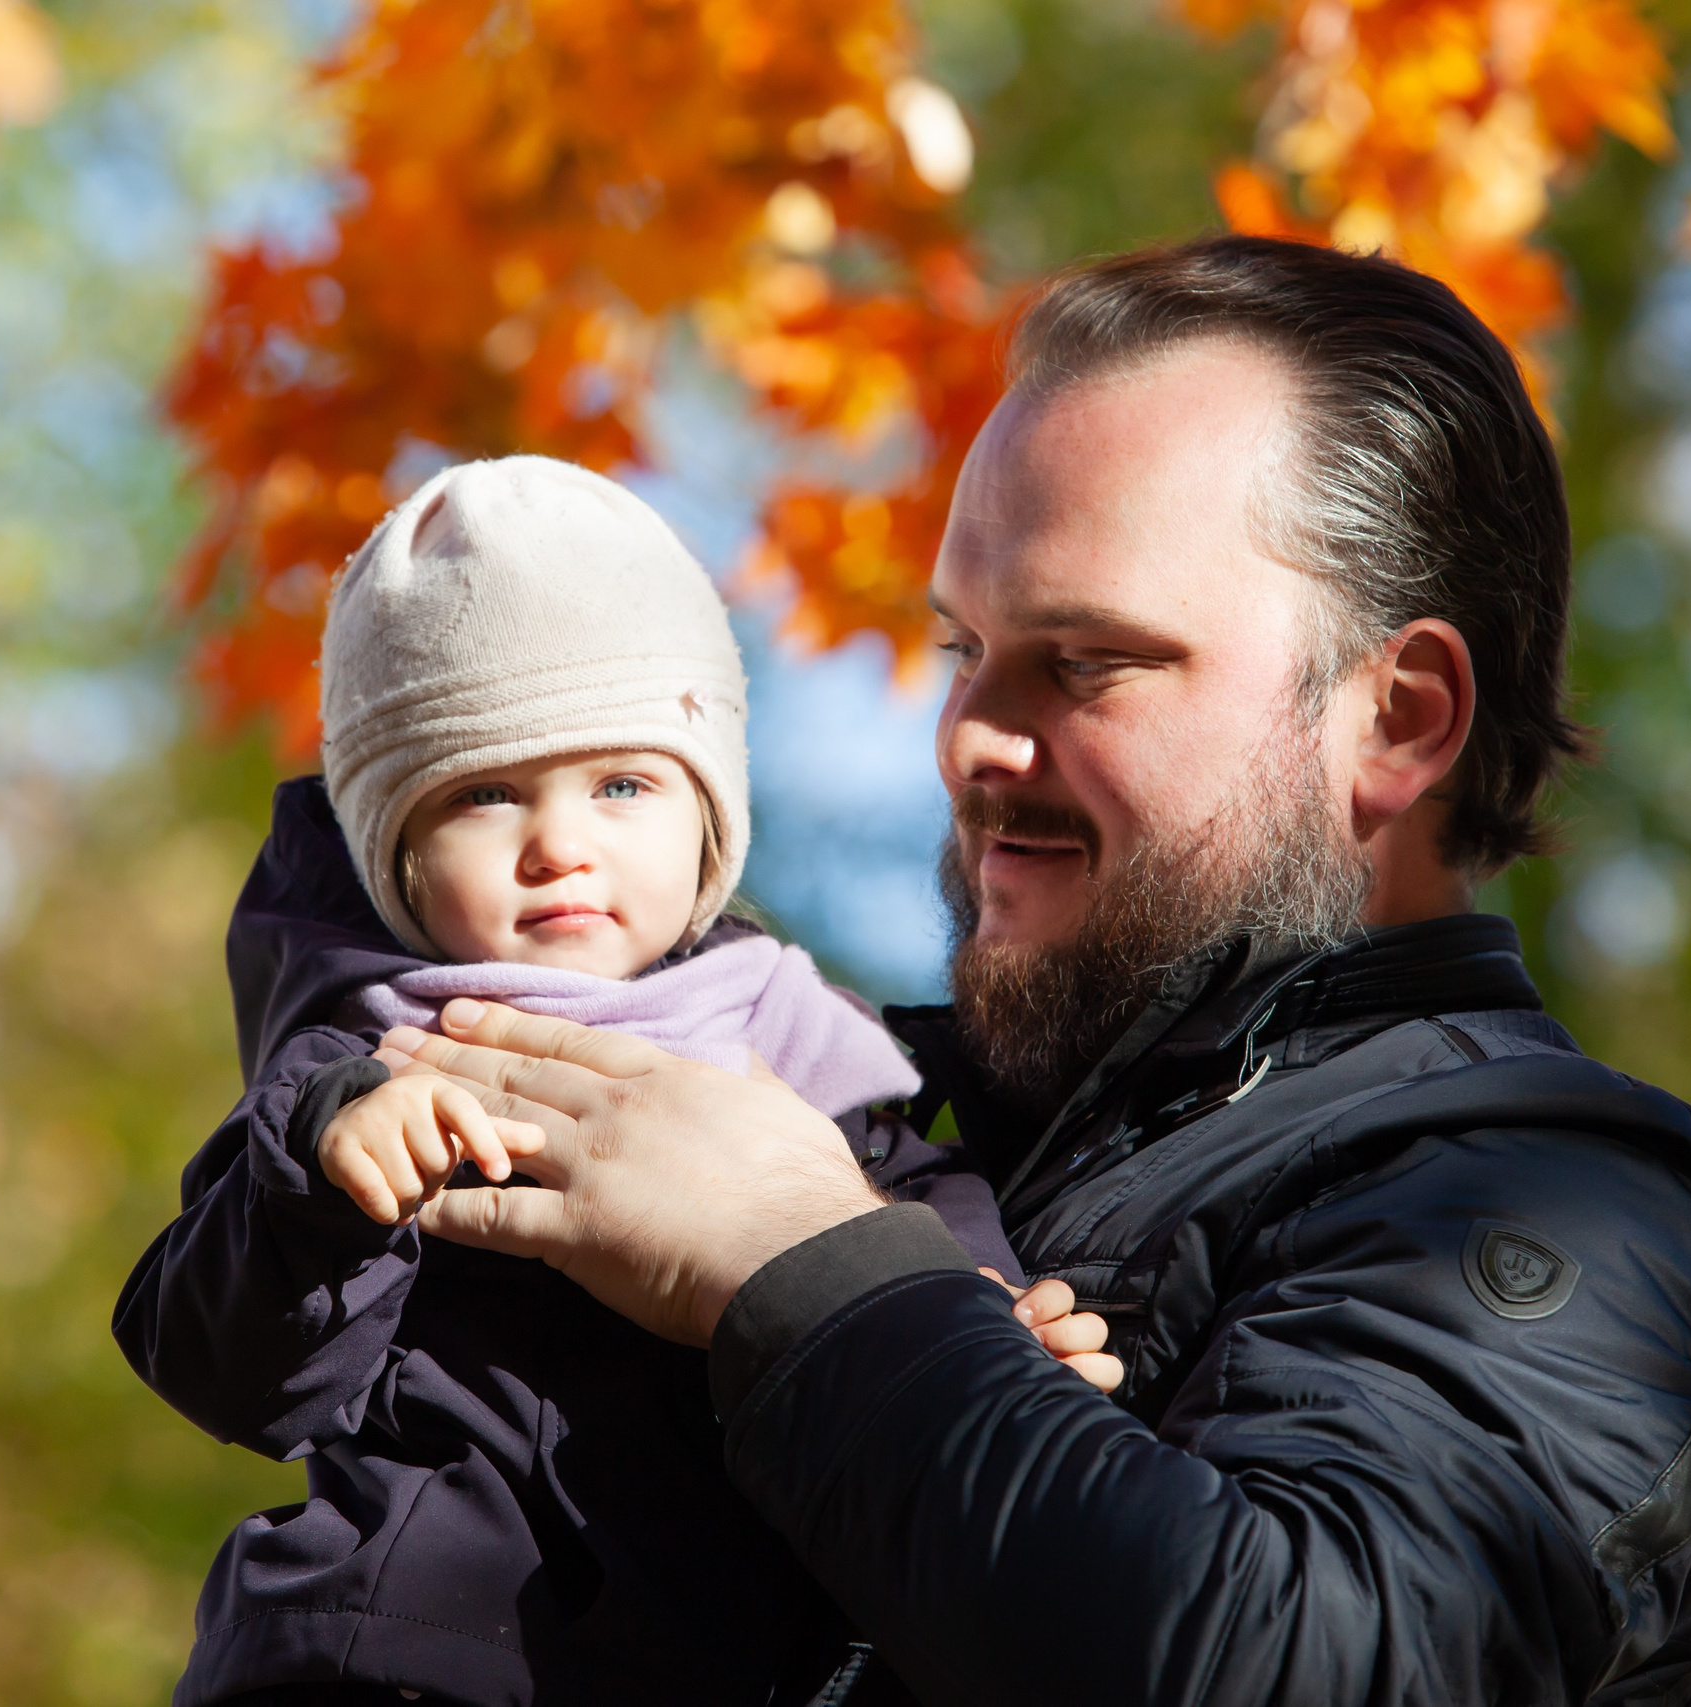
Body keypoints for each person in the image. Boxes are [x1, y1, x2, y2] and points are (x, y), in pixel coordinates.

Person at [384, 239, 1691, 1706]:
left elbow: (1317, 1667)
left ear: (1397, 719)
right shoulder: (887, 1116)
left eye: (1084, 662)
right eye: (965, 646)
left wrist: (802, 1263)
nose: (969, 738)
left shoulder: (1576, 1193)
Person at [112, 456, 1105, 1707]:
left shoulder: (801, 1057)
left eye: (622, 785)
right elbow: (216, 1359)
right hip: (408, 1654)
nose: (559, 844)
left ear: (706, 820)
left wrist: (988, 1324)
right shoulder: (383, 1057)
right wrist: (326, 1173)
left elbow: (906, 1228)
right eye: (484, 795)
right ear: (399, 861)